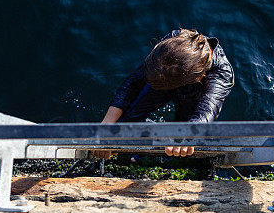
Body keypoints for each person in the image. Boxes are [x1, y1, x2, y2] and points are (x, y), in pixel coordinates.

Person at [93, 28, 235, 158]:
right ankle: (128, 153)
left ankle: (155, 148)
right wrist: (106, 125)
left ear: (198, 78)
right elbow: (134, 81)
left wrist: (187, 135)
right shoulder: (174, 41)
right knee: (127, 119)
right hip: (166, 77)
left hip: (193, 94)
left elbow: (207, 111)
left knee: (182, 135)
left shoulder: (221, 75)